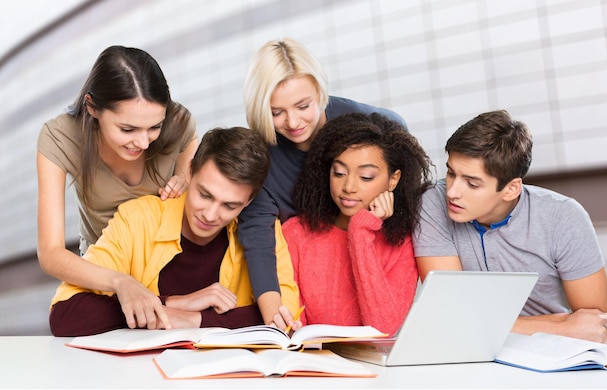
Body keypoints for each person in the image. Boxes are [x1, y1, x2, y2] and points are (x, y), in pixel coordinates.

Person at [49, 127, 300, 337]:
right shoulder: (137, 218)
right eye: (205, 194)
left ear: (248, 201)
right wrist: (170, 304)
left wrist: (192, 320)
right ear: (189, 171)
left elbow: (283, 317)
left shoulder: (262, 230)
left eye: (229, 205)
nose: (211, 215)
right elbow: (65, 315)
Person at [238, 37, 409, 325]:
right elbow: (257, 237)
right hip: (308, 282)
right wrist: (272, 308)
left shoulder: (367, 122)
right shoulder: (262, 158)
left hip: (373, 264)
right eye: (276, 112)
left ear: (319, 90)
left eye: (303, 106)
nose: (293, 122)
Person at [413, 110, 607, 343]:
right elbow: (452, 315)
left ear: (511, 189)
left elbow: (598, 326)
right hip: (470, 351)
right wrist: (562, 326)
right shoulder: (432, 203)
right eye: (450, 173)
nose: (452, 192)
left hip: (550, 353)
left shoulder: (563, 216)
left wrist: (478, 325)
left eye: (472, 183)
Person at [37, 45, 199, 330]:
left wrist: (186, 178)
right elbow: (50, 252)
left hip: (168, 269)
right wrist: (121, 282)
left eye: (154, 127)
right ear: (92, 107)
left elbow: (194, 167)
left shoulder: (179, 123)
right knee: (72, 318)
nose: (144, 142)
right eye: (128, 129)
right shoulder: (60, 137)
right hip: (104, 273)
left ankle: (168, 304)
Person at [282, 113, 432, 335]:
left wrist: (361, 231)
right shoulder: (296, 233)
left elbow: (383, 328)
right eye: (339, 173)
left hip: (373, 366)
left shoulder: (402, 242)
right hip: (310, 363)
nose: (349, 186)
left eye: (366, 177)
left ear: (393, 179)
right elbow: (295, 328)